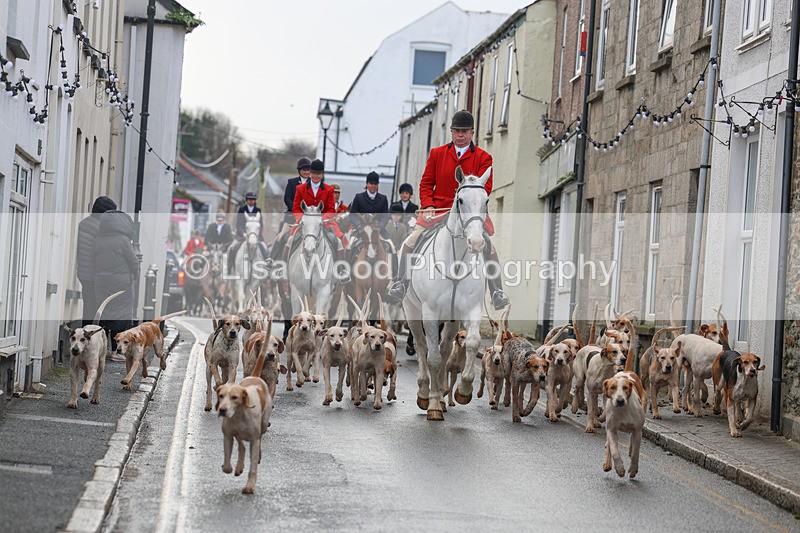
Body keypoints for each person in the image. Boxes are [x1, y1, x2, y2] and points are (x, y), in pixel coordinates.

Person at [386, 109, 509, 310]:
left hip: (469, 214)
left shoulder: (484, 157)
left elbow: (484, 188)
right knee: (411, 241)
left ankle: (497, 291)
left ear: (472, 133)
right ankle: (400, 283)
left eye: (464, 131)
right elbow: (426, 183)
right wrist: (428, 205)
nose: (460, 135)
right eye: (456, 131)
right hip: (437, 211)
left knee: (488, 244)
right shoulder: (437, 154)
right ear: (451, 132)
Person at [289, 159, 350, 282]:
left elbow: (331, 209)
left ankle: (341, 270)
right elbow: (296, 208)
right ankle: (283, 268)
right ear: (310, 173)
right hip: (305, 222)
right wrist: (301, 219)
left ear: (322, 175)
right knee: (289, 240)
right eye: (314, 173)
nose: (316, 176)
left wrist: (321, 219)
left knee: (338, 241)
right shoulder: (300, 188)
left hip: (325, 223)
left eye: (319, 173)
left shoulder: (329, 190)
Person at [94, 209, 139, 356]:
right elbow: (133, 261)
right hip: (121, 282)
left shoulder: (98, 239)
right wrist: (134, 275)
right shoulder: (123, 240)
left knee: (104, 313)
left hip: (101, 282)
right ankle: (116, 351)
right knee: (120, 316)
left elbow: (94, 259)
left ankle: (103, 349)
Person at [76, 195, 117, 326]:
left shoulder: (84, 224)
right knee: (99, 309)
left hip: (84, 274)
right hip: (97, 275)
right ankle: (94, 334)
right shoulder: (101, 229)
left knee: (88, 307)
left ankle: (85, 333)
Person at [227, 191, 270, 273]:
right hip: (242, 235)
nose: (251, 201)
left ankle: (267, 267)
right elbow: (238, 224)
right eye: (250, 199)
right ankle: (230, 268)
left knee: (264, 247)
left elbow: (260, 225)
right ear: (247, 200)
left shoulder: (258, 210)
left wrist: (256, 234)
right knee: (232, 248)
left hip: (255, 235)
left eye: (253, 199)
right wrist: (244, 233)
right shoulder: (241, 209)